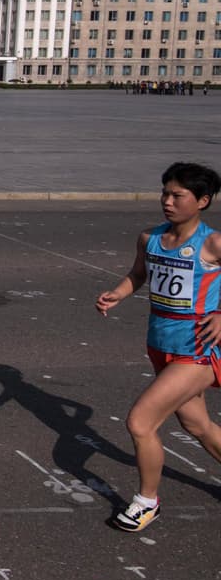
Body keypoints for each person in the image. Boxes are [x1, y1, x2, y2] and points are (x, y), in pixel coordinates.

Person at [94, 162, 221, 533]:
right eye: (164, 193)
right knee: (196, 424)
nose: (167, 201)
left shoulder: (212, 243)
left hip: (197, 349)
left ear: (202, 201)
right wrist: (117, 294)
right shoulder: (149, 238)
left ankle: (147, 502)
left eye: (177, 195)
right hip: (160, 346)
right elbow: (139, 274)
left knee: (140, 421)